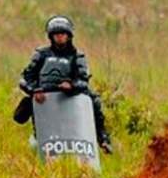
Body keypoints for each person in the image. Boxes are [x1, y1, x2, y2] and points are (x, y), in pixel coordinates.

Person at [13, 15, 112, 154]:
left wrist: (72, 85)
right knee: (24, 115)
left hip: (69, 97)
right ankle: (38, 140)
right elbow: (24, 79)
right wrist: (34, 90)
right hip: (42, 98)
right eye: (56, 34)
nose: (59, 37)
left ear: (69, 36)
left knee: (94, 101)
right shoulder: (41, 54)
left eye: (62, 34)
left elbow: (83, 80)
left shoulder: (77, 56)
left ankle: (103, 139)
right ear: (51, 36)